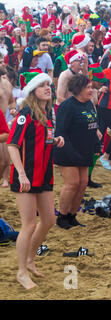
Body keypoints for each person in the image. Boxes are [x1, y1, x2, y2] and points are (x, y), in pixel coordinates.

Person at [7, 72, 64, 289]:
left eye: (49, 84)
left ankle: (30, 260)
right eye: (42, 85)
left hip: (45, 174)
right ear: (33, 91)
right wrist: (21, 174)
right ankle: (21, 272)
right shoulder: (26, 113)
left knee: (49, 220)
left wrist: (56, 140)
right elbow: (12, 145)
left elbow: (44, 139)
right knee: (29, 225)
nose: (48, 88)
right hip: (26, 176)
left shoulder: (47, 113)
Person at [54, 74, 99, 229]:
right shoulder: (67, 106)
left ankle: (72, 215)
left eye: (91, 87)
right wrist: (71, 151)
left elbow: (93, 126)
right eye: (88, 87)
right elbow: (60, 132)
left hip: (85, 150)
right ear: (79, 89)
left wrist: (97, 145)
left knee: (82, 184)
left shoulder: (89, 104)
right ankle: (62, 216)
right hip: (68, 151)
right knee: (72, 184)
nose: (91, 90)